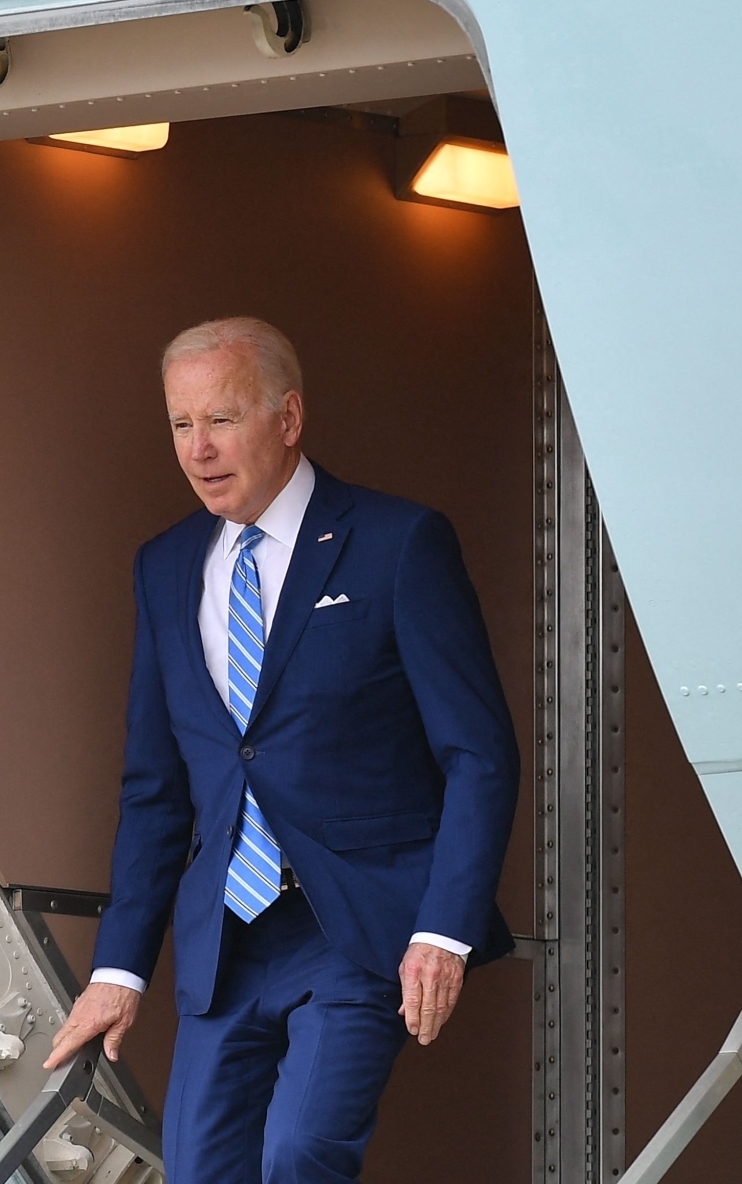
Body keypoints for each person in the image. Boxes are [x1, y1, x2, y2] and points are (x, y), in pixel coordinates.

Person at [43, 318, 518, 1184]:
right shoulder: (165, 564)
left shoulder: (398, 542)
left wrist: (443, 930)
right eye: (181, 424)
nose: (198, 449)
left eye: (221, 419)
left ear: (289, 418)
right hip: (225, 939)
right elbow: (157, 788)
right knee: (199, 1172)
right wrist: (119, 968)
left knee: (300, 1155)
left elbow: (478, 754)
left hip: (356, 923)